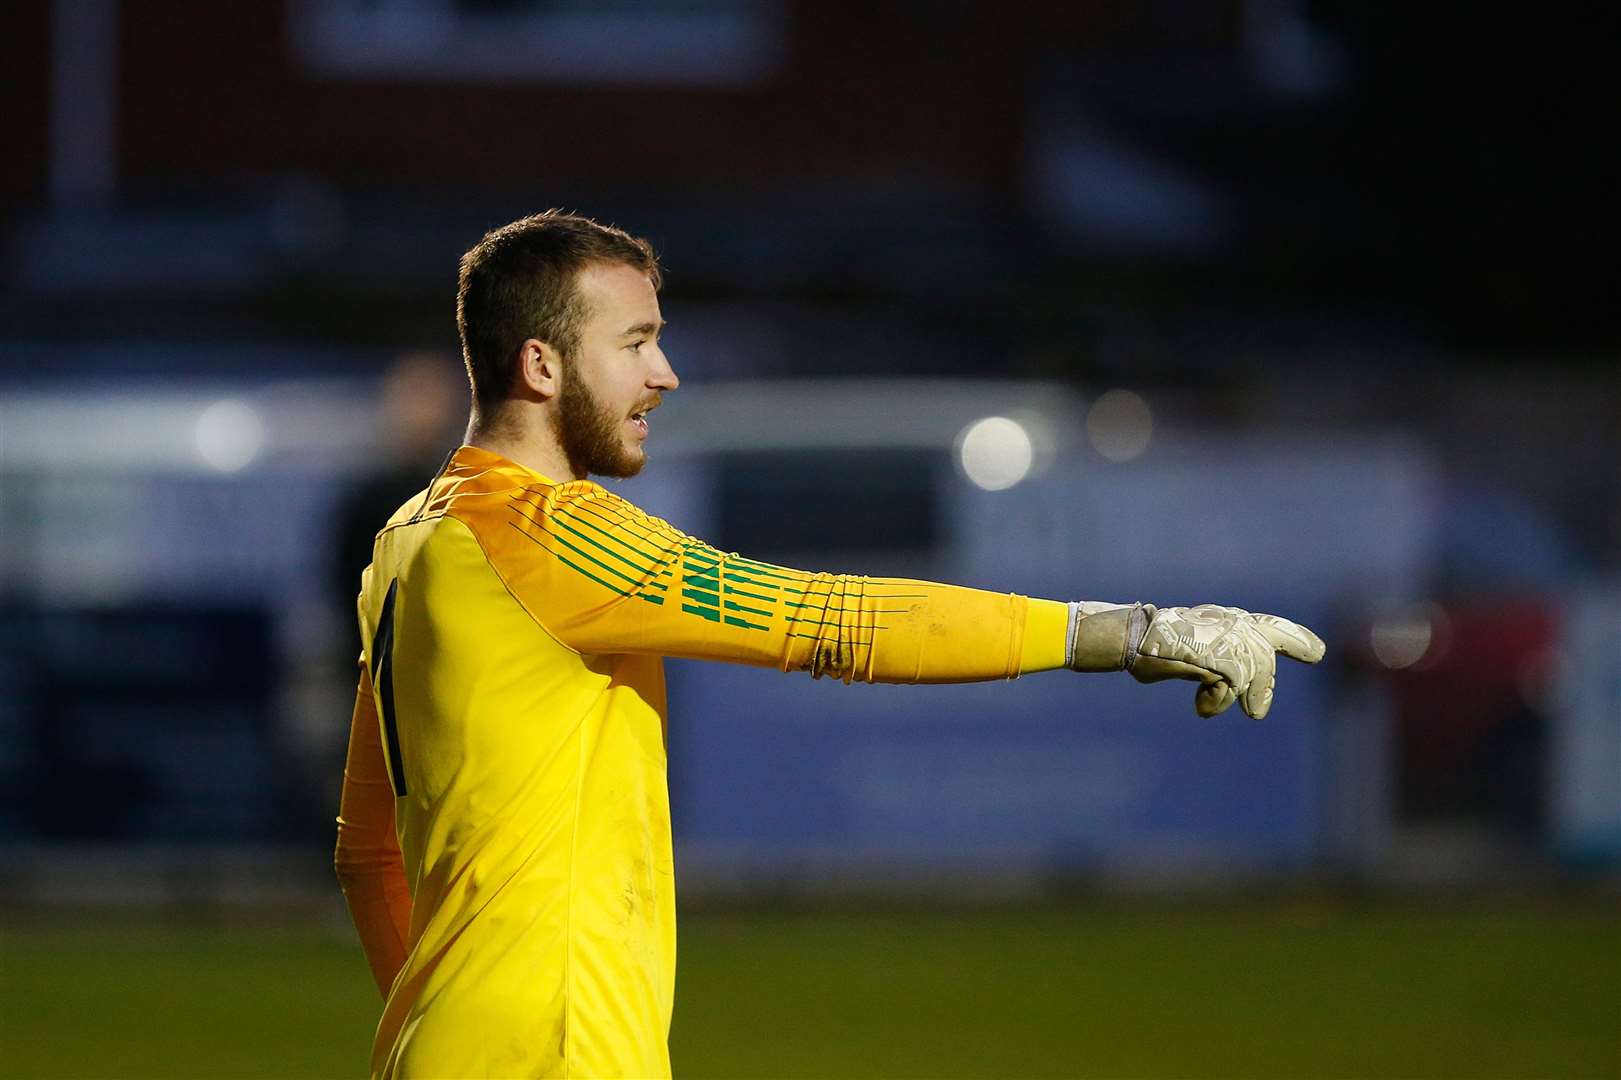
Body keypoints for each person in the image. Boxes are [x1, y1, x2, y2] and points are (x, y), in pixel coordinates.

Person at [333, 210, 1325, 1078]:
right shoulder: (551, 532)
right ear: (541, 365)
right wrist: (1127, 634)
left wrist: (434, 1020)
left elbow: (368, 853)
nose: (664, 374)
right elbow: (830, 619)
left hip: (446, 1047)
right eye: (634, 342)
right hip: (551, 1052)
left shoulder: (411, 535)